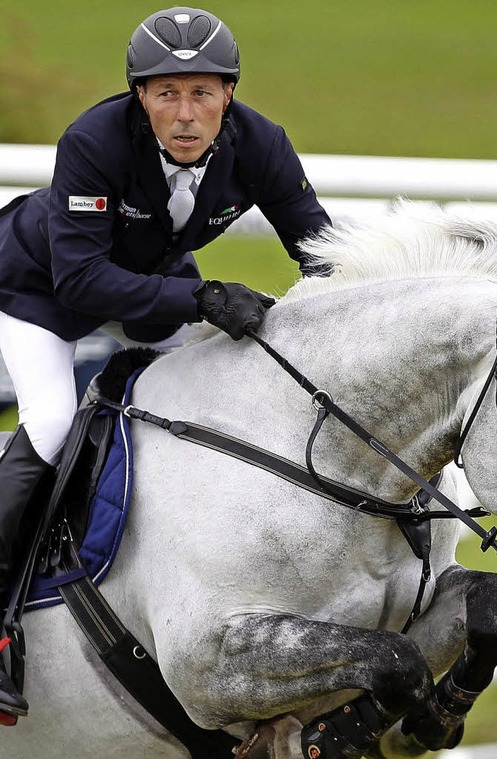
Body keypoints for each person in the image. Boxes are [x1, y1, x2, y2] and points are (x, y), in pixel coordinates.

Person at [0, 5, 331, 719]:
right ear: (138, 96)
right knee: (54, 420)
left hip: (151, 289)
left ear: (229, 96)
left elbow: (323, 253)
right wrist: (206, 295)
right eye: (166, 93)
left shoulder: (262, 144)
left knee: (229, 385)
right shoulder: (92, 141)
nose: (185, 115)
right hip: (37, 291)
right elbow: (80, 281)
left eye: (203, 93)